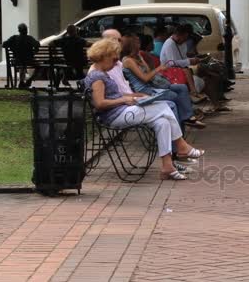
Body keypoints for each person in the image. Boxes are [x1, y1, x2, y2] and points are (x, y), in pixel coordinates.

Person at [84, 38, 205, 181]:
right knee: (163, 106)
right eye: (114, 58)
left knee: (162, 122)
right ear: (103, 56)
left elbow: (115, 95)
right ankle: (181, 145)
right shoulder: (97, 76)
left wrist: (134, 96)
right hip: (116, 116)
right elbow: (100, 103)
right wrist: (124, 99)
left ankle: (167, 166)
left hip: (122, 111)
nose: (117, 61)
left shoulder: (102, 73)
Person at [120, 33, 206, 129]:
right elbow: (145, 78)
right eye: (137, 43)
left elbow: (149, 71)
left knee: (182, 87)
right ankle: (179, 129)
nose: (139, 45)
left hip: (152, 85)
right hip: (144, 90)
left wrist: (141, 59)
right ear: (132, 45)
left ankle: (187, 117)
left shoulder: (137, 56)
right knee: (174, 96)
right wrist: (159, 68)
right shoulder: (128, 61)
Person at [160, 24, 207, 104]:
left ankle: (197, 93)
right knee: (186, 71)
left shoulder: (182, 43)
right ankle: (193, 92)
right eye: (184, 37)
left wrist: (191, 59)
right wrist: (189, 61)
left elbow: (182, 58)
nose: (185, 40)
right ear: (178, 35)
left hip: (179, 69)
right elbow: (171, 63)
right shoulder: (169, 44)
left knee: (199, 69)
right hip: (168, 71)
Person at [2, 23, 40, 88]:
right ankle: (29, 80)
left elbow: (4, 45)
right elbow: (37, 45)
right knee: (39, 66)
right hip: (29, 60)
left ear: (19, 30)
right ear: (26, 30)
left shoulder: (14, 38)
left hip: (17, 61)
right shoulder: (29, 38)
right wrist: (34, 53)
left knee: (22, 64)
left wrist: (12, 48)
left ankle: (21, 82)